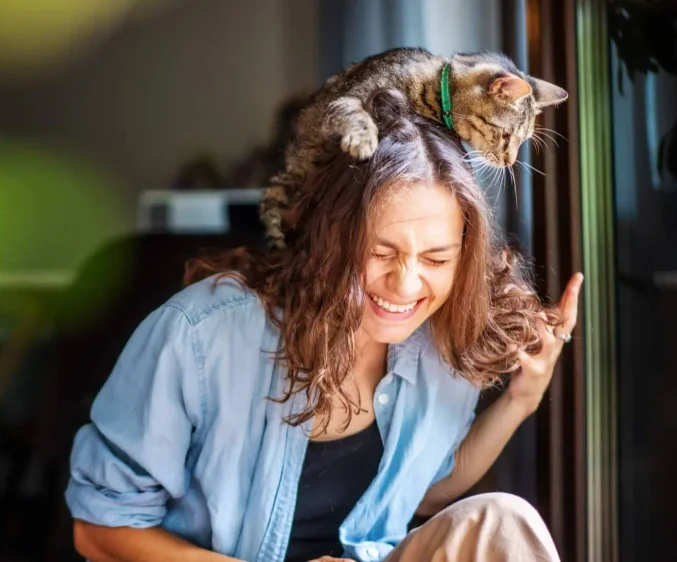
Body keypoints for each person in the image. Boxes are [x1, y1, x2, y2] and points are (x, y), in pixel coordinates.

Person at [66, 90, 583, 562]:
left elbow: (422, 491)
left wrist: (523, 397)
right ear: (331, 238)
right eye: (380, 252)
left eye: (436, 259)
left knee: (503, 523)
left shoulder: (439, 342)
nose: (405, 285)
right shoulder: (200, 335)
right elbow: (98, 532)